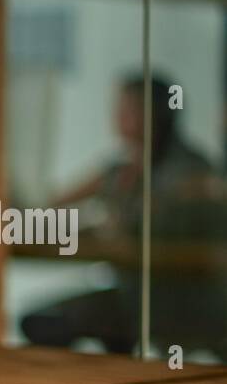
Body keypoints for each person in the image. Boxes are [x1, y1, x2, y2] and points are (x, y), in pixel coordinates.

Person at [20, 73, 224, 357]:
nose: (116, 116)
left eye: (127, 108)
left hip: (177, 300)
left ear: (153, 113)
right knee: (43, 322)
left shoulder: (190, 170)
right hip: (132, 296)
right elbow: (53, 202)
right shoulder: (121, 169)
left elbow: (153, 230)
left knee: (62, 324)